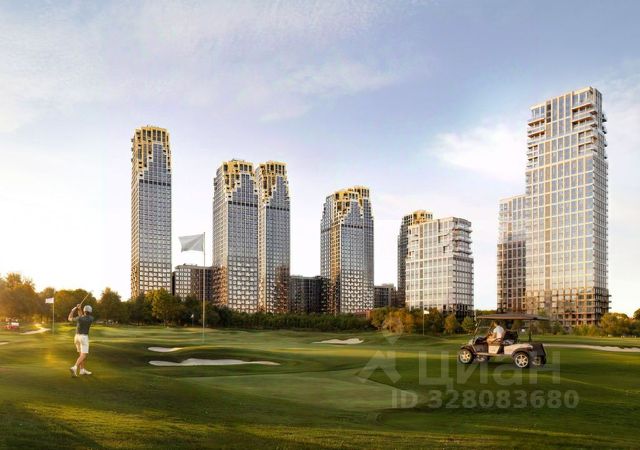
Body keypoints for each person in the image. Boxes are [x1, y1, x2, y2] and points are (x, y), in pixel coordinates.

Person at [68, 304, 95, 377]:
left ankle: (82, 370)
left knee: (81, 355)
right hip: (84, 338)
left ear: (84, 311)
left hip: (76, 337)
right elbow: (82, 315)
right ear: (90, 312)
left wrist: (72, 310)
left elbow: (69, 318)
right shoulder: (91, 318)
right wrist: (79, 309)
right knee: (83, 355)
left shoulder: (79, 318)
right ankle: (74, 367)